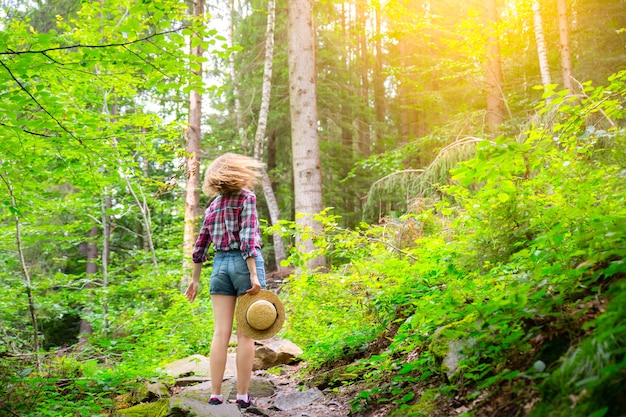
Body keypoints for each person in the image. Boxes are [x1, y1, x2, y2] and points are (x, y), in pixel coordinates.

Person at [184, 153, 266, 409]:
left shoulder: (214, 206)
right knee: (246, 334)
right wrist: (253, 273)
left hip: (219, 266)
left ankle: (216, 394)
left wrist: (195, 279)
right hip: (244, 264)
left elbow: (200, 244)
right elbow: (248, 238)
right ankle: (242, 396)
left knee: (220, 332)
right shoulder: (246, 197)